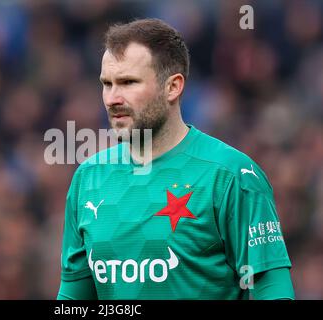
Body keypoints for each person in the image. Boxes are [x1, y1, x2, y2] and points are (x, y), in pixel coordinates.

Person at [57, 18, 294, 300]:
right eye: (106, 84)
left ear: (173, 87)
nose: (112, 98)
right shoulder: (88, 179)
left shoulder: (231, 175)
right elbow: (73, 299)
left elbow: (273, 292)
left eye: (128, 82)